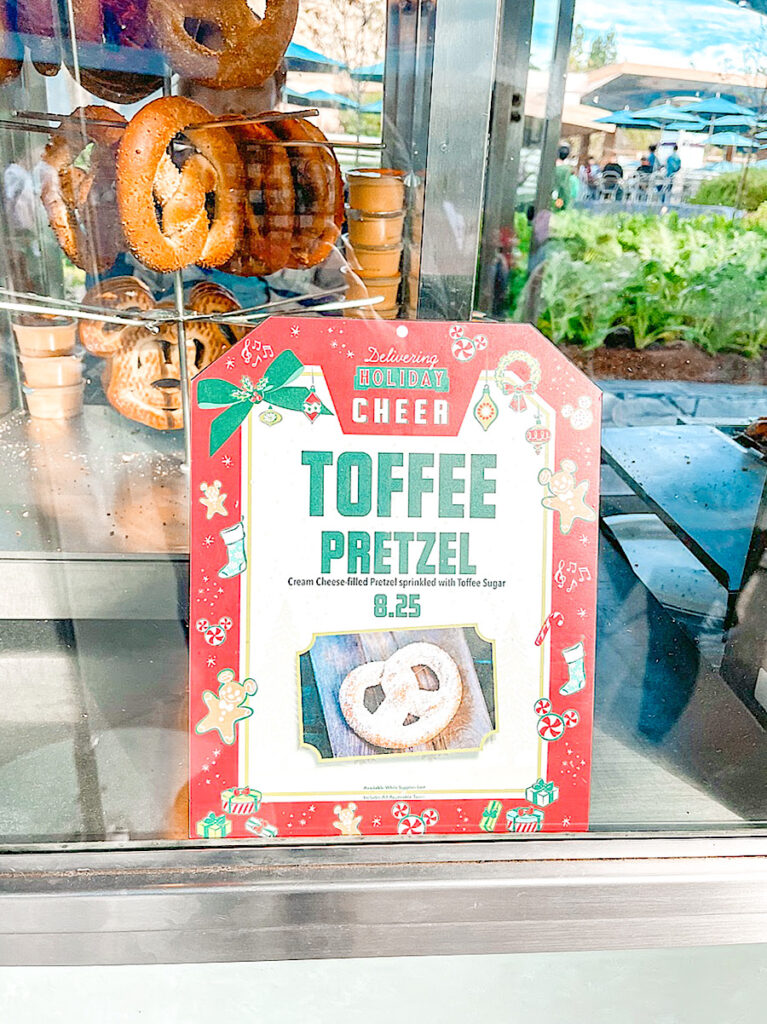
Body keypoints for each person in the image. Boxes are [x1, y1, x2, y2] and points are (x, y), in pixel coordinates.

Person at [553, 143, 574, 210]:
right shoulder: (566, 169)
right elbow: (565, 187)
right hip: (558, 198)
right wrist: (567, 204)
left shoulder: (550, 165)